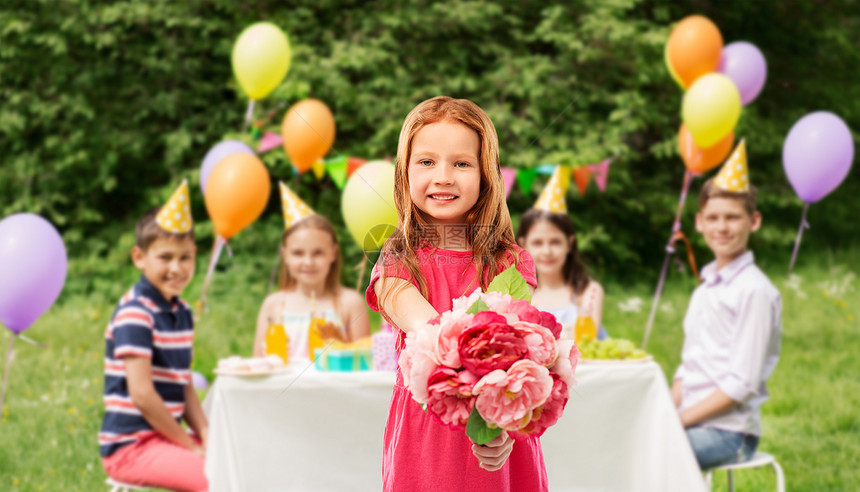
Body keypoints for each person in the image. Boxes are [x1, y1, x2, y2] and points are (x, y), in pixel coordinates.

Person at [366, 96, 548, 491]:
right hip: (427, 439)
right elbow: (428, 331)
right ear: (405, 173)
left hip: (495, 424)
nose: (444, 176)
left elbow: (515, 353)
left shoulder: (510, 262)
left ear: (486, 175)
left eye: (461, 163)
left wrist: (503, 427)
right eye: (427, 162)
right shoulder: (399, 259)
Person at [670, 141, 782, 471]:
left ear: (754, 221)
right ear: (700, 222)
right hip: (690, 421)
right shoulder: (704, 290)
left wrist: (677, 422)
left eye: (733, 217)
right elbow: (687, 369)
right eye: (714, 218)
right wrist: (664, 413)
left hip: (730, 433)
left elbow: (741, 384)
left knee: (655, 456)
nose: (722, 227)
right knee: (633, 444)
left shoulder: (755, 291)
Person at [99, 182, 208, 492]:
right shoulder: (136, 313)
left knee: (240, 457)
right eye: (165, 257)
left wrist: (207, 434)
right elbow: (143, 395)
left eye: (185, 257)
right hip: (131, 447)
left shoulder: (182, 312)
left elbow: (182, 381)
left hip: (165, 437)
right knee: (218, 478)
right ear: (139, 257)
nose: (177, 268)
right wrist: (189, 444)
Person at [254, 213, 370, 360]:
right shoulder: (273, 304)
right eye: (298, 253)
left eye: (318, 253)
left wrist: (341, 347)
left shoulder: (350, 303)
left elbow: (366, 364)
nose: (308, 262)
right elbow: (257, 365)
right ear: (285, 256)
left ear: (333, 254)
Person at [516, 205, 607, 341]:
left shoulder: (588, 291)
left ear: (569, 244)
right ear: (523, 244)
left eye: (555, 242)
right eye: (537, 243)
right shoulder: (519, 295)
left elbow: (586, 340)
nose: (547, 251)